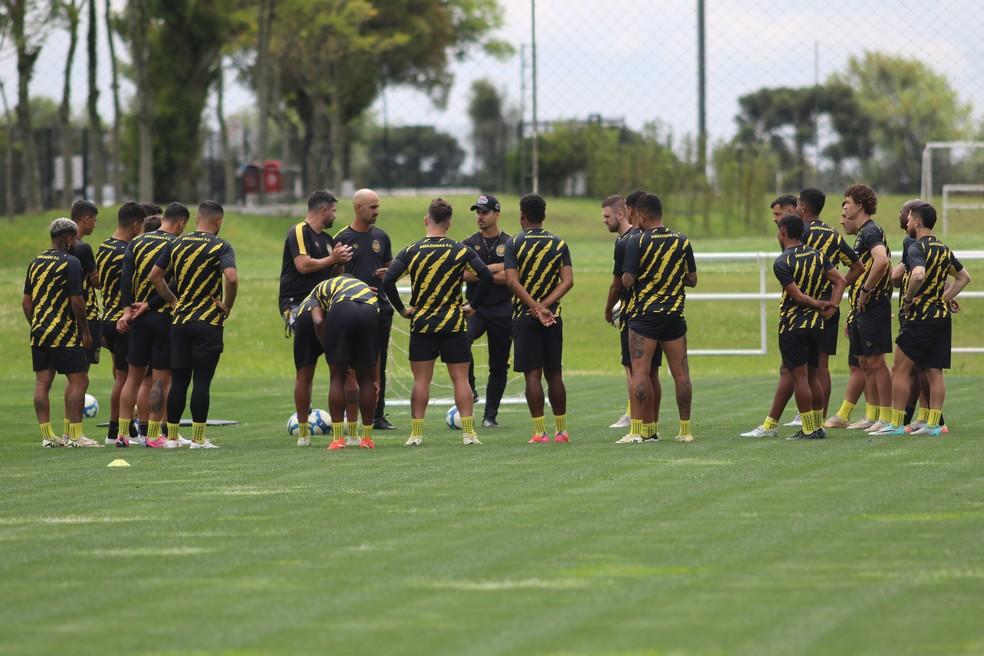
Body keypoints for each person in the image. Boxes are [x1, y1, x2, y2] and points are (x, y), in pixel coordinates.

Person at [740, 188, 863, 437]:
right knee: (818, 370)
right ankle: (815, 421)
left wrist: (819, 302)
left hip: (800, 314)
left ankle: (798, 424)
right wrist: (832, 301)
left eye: (781, 215)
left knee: (796, 371)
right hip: (826, 310)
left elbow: (795, 290)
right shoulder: (831, 235)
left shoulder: (793, 247)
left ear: (801, 208)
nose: (777, 220)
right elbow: (856, 267)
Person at [383, 198, 492, 446]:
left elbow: (388, 281)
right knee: (461, 379)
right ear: (449, 223)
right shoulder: (460, 250)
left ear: (426, 220)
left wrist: (402, 309)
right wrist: (473, 306)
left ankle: (416, 434)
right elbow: (485, 275)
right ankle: (469, 433)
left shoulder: (412, 251)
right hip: (453, 322)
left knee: (421, 380)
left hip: (422, 323)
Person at [874, 202, 970, 436]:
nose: (906, 222)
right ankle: (934, 425)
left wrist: (908, 299)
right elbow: (964, 277)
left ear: (917, 222)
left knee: (900, 368)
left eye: (908, 220)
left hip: (920, 318)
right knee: (934, 371)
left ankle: (896, 424)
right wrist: (943, 299)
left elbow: (918, 274)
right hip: (940, 317)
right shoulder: (943, 248)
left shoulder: (918, 247)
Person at [150, 201, 237, 449]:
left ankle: (173, 438)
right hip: (207, 321)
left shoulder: (176, 243)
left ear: (198, 219)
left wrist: (172, 299)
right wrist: (227, 305)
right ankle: (198, 439)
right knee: (201, 381)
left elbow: (155, 276)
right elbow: (230, 277)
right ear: (218, 222)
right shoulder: (221, 246)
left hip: (180, 321)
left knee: (178, 380)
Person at [621, 193, 697, 443]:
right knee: (681, 374)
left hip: (645, 316)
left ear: (641, 215)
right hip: (674, 314)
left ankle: (637, 431)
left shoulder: (637, 241)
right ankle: (685, 431)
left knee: (640, 372)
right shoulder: (681, 241)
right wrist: (671, 276)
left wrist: (633, 276)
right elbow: (692, 280)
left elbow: (628, 280)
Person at [113, 202, 190, 448]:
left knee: (132, 378)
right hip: (163, 317)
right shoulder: (176, 245)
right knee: (160, 381)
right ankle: (154, 435)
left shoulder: (137, 242)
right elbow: (174, 284)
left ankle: (123, 434)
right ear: (180, 223)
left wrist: (127, 310)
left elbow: (125, 278)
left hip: (137, 318)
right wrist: (151, 304)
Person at [278, 190, 352, 446]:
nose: (334, 215)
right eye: (333, 211)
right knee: (305, 370)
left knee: (338, 368)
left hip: (324, 304)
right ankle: (303, 432)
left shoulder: (330, 239)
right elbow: (303, 265)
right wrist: (332, 258)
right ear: (323, 210)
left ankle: (343, 431)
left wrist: (340, 261)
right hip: (296, 305)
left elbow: (333, 274)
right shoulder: (299, 231)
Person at [504, 193, 574, 444]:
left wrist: (534, 307)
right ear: (543, 216)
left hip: (525, 316)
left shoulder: (514, 243)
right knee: (555, 373)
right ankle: (562, 431)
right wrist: (545, 306)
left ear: (522, 216)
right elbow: (568, 281)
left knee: (532, 375)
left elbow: (512, 281)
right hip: (552, 316)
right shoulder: (558, 243)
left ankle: (539, 432)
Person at [24, 218, 96, 447]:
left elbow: (27, 303)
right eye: (74, 238)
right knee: (79, 380)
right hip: (63, 331)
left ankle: (47, 437)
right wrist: (85, 331)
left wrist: (36, 324)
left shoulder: (35, 262)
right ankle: (75, 436)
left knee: (42, 383)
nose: (75, 242)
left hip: (39, 332)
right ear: (68, 238)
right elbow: (77, 301)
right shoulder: (71, 262)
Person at [334, 189, 395, 431]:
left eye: (377, 207)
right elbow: (333, 275)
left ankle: (377, 415)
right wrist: (355, 288)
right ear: (358, 208)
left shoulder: (382, 237)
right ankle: (350, 416)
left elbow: (391, 267)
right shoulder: (341, 238)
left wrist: (387, 273)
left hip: (380, 308)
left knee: (378, 361)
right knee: (348, 363)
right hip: (352, 310)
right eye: (372, 207)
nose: (376, 212)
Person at [838, 184, 894, 433]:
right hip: (862, 308)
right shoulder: (861, 233)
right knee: (864, 361)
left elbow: (881, 261)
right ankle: (871, 414)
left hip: (874, 304)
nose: (844, 207)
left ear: (860, 205)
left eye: (847, 202)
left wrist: (866, 290)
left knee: (876, 361)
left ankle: (887, 416)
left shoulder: (871, 230)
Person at [306, 275, 381, 450]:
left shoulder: (318, 289)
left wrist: (329, 349)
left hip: (342, 309)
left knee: (338, 376)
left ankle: (338, 439)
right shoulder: (363, 287)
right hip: (370, 309)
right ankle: (367, 439)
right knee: (365, 379)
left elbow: (318, 320)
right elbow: (377, 347)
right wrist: (376, 376)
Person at [96, 201, 148, 445]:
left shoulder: (104, 246)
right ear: (136, 225)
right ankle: (120, 431)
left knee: (120, 377)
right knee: (128, 379)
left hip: (106, 317)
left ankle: (117, 430)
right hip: (122, 320)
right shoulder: (126, 251)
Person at [606, 190, 657, 430]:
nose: (604, 221)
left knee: (633, 368)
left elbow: (620, 283)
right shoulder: (650, 237)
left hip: (633, 312)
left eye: (607, 216)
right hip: (655, 311)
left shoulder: (629, 241)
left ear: (626, 211)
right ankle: (650, 422)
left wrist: (609, 309)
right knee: (650, 371)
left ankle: (633, 416)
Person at [461, 194, 512, 428]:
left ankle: (490, 415)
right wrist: (495, 272)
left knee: (499, 364)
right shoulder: (468, 243)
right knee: (462, 342)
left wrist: (483, 271)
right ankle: (470, 388)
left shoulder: (510, 243)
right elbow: (464, 274)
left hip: (503, 309)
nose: (479, 217)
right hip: (475, 308)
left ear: (496, 214)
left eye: (484, 212)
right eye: (477, 212)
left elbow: (513, 276)